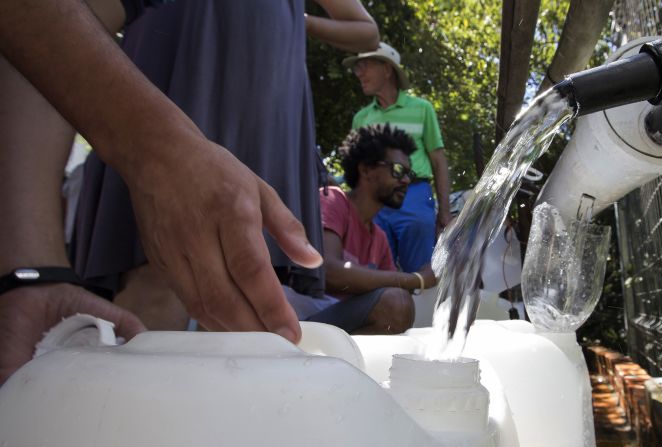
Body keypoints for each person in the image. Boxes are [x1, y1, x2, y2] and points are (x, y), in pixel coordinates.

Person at [0, 0, 323, 384]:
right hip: (170, 65)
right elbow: (41, 40)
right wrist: (154, 148)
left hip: (269, 76)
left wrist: (32, 273)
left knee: (241, 293)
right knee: (160, 283)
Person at [69, 0, 379, 330]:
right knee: (152, 263)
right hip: (176, 40)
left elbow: (366, 31)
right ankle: (133, 371)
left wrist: (303, 22)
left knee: (248, 268)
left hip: (264, 73)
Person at [304, 124, 437, 334]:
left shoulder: (379, 238)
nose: (406, 180)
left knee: (399, 304)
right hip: (305, 325)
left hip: (339, 330)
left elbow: (394, 288)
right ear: (365, 169)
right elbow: (328, 272)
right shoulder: (332, 200)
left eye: (408, 173)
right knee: (396, 304)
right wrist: (418, 279)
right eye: (398, 170)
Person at [344, 42, 452, 274]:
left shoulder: (422, 109)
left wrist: (444, 210)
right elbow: (356, 172)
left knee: (422, 275)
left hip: (414, 194)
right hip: (373, 203)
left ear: (386, 69)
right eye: (357, 68)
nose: (359, 73)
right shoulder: (361, 118)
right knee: (377, 276)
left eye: (365, 66)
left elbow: (438, 160)